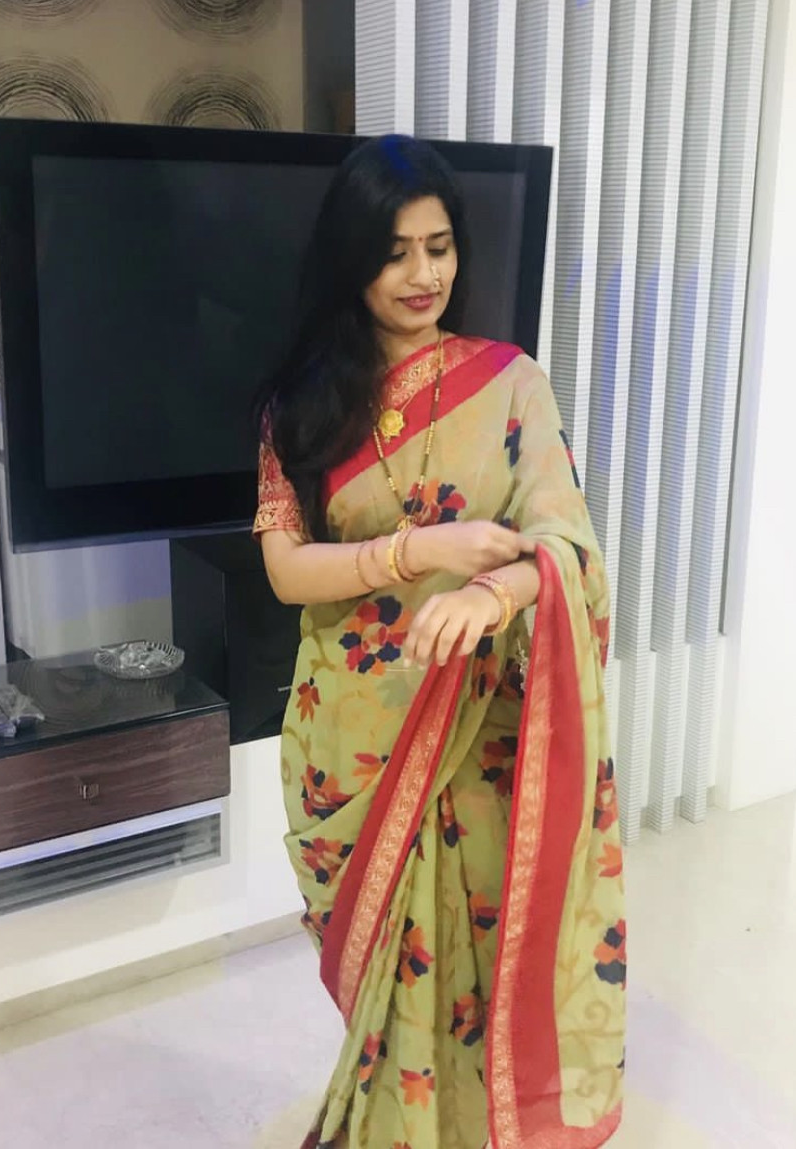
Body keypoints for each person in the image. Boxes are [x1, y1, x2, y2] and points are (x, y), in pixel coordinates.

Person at [253, 134, 626, 1149]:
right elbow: (286, 570)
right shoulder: (299, 405)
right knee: (384, 959)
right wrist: (424, 551)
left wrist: (495, 591)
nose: (423, 275)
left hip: (473, 722)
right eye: (393, 253)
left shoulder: (510, 384)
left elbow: (568, 548)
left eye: (439, 247)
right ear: (350, 261)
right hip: (350, 729)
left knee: (475, 955)